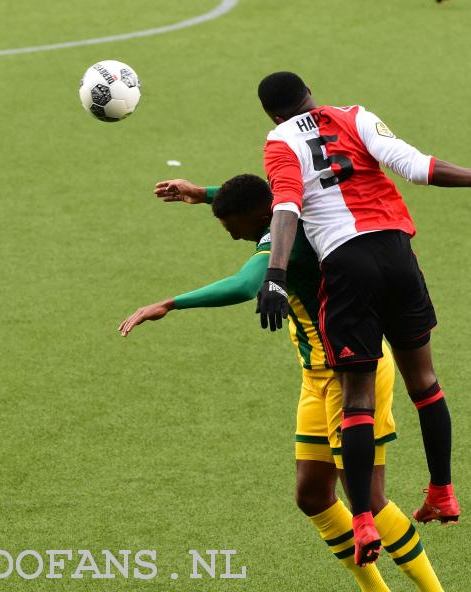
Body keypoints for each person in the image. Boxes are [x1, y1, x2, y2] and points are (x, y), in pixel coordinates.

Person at [254, 71, 471, 565]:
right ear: (310, 96)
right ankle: (443, 491)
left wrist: (276, 274)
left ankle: (364, 521)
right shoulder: (354, 116)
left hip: (347, 266)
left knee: (357, 398)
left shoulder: (279, 140)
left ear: (274, 114)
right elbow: (415, 166)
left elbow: (286, 205)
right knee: (425, 381)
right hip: (397, 252)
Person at [119, 174, 445, 591]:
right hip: (317, 378)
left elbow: (243, 285)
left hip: (354, 374)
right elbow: (259, 194)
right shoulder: (287, 210)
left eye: (230, 223)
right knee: (312, 496)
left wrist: (169, 303)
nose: (229, 232)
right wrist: (204, 195)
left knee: (370, 501)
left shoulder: (279, 245)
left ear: (256, 216)